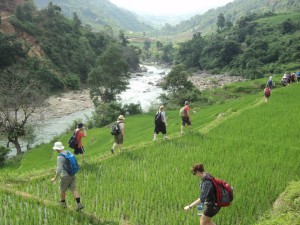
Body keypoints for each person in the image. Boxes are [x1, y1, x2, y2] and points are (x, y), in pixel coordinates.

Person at [50, 141, 84, 211]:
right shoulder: (68, 152)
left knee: (62, 190)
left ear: (57, 149)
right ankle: (79, 204)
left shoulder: (59, 157)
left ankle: (63, 204)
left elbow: (59, 169)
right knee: (73, 189)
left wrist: (54, 178)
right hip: (72, 174)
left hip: (65, 176)